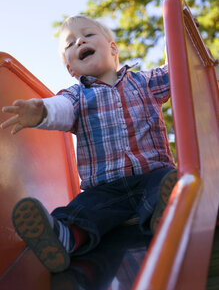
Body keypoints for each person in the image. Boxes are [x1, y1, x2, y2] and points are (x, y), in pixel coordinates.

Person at [0, 15, 177, 273]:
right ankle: (62, 237)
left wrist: (176, 40)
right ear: (71, 69)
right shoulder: (76, 96)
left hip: (152, 173)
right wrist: (41, 112)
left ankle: (167, 212)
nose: (80, 40)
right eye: (70, 44)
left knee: (167, 183)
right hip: (104, 190)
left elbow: (177, 70)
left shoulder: (144, 82)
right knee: (82, 210)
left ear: (113, 49)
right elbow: (59, 109)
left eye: (88, 35)